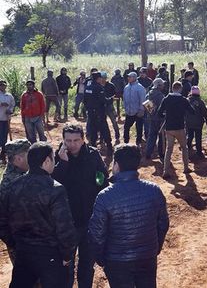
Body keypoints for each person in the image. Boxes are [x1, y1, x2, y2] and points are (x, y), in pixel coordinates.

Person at [88, 144, 169, 288]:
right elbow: (163, 224)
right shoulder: (154, 191)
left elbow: (96, 234)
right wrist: (154, 248)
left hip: (117, 261)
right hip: (147, 257)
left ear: (116, 165)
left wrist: (101, 259)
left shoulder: (105, 196)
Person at [0, 143, 77, 288]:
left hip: (23, 252)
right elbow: (64, 228)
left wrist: (14, 243)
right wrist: (67, 255)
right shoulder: (55, 189)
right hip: (51, 256)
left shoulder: (14, 186)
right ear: (47, 161)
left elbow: (2, 221)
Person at [52, 123, 109, 288]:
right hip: (67, 222)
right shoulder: (58, 157)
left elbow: (102, 177)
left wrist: (98, 182)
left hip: (90, 219)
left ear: (83, 140)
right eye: (68, 140)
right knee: (66, 264)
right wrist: (63, 163)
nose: (72, 144)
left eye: (76, 140)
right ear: (63, 141)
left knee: (86, 263)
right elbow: (52, 184)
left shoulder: (93, 155)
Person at [156, 81, 195, 178]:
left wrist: (167, 114)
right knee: (184, 148)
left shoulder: (166, 99)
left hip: (169, 127)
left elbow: (159, 113)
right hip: (180, 127)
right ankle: (186, 168)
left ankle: (165, 171)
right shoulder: (183, 100)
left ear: (172, 88)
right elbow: (192, 111)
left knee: (169, 149)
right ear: (180, 89)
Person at [84, 72, 113, 152]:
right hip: (99, 113)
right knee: (104, 130)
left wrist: (89, 109)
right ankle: (109, 148)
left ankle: (93, 149)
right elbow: (103, 100)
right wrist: (111, 99)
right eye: (101, 78)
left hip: (91, 113)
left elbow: (85, 101)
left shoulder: (87, 87)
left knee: (93, 130)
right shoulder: (99, 87)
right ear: (98, 78)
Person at [123, 72, 146, 147]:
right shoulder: (126, 87)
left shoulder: (140, 88)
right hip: (129, 111)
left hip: (138, 111)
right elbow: (124, 98)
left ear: (134, 78)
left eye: (130, 77)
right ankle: (126, 142)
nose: (128, 78)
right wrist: (125, 108)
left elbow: (142, 99)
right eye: (128, 77)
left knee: (139, 127)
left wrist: (141, 110)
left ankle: (138, 142)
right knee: (126, 127)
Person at [145, 78, 165, 162]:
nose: (163, 86)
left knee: (151, 136)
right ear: (158, 85)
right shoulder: (160, 96)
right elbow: (163, 108)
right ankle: (161, 154)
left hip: (151, 118)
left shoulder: (149, 93)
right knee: (161, 137)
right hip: (159, 119)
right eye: (162, 84)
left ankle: (148, 153)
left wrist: (151, 114)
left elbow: (147, 105)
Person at [101, 72, 120, 144]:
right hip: (101, 107)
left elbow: (114, 95)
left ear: (106, 78)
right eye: (101, 78)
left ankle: (117, 135)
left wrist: (110, 99)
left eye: (103, 78)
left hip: (109, 106)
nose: (102, 79)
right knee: (102, 122)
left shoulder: (111, 85)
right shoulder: (98, 86)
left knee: (114, 122)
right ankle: (102, 138)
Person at [0, 80, 15, 153]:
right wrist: (1, 104)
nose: (3, 86)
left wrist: (10, 110)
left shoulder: (9, 96)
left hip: (6, 118)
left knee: (5, 133)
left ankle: (3, 149)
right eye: (1, 85)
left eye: (4, 85)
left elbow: (12, 105)